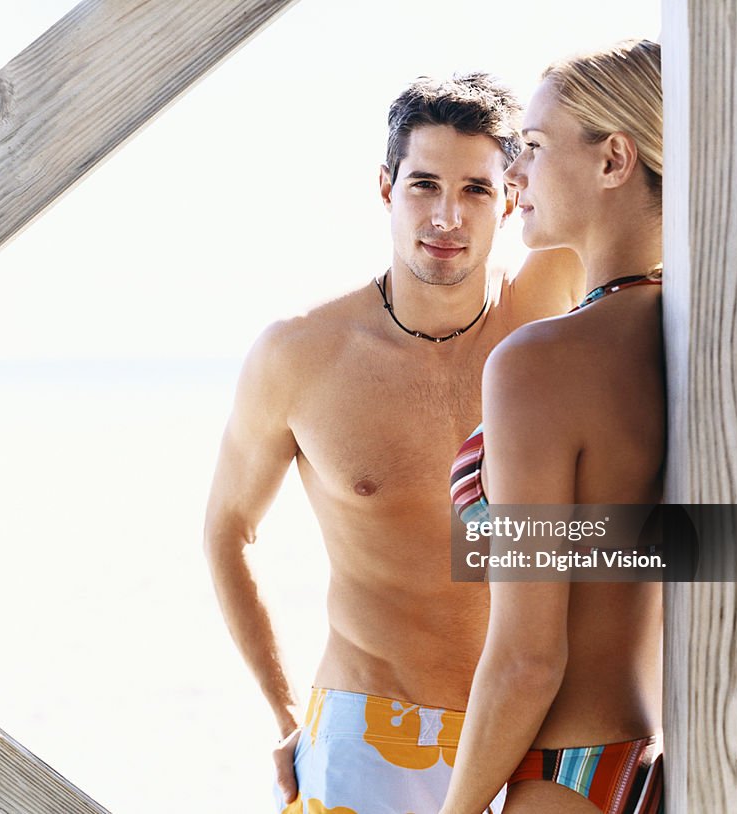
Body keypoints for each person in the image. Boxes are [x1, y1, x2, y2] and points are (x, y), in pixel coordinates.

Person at [203, 73, 583, 814]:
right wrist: (285, 716)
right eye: (424, 185)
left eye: (476, 189)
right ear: (385, 188)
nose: (447, 216)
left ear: (512, 197)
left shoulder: (542, 306)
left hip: (532, 738)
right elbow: (228, 529)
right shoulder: (301, 354)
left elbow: (652, 171)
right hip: (369, 732)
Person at [440, 41, 666, 814]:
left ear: (613, 161)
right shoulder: (685, 338)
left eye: (533, 148)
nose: (513, 176)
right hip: (647, 761)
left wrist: (458, 807)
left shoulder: (540, 362)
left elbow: (529, 658)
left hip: (561, 771)